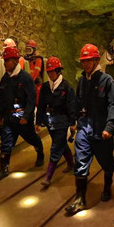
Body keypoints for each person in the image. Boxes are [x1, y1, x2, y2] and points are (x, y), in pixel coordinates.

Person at [65, 44, 114, 215]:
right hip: (84, 128)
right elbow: (77, 102)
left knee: (106, 163)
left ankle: (107, 186)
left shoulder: (106, 80)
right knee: (80, 162)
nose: (85, 64)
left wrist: (110, 127)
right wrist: (74, 121)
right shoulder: (82, 80)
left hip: (101, 130)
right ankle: (80, 199)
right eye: (83, 61)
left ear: (96, 60)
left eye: (89, 60)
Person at [0, 46, 44, 182]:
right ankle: (3, 168)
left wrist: (26, 116)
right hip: (10, 117)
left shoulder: (25, 78)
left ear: (15, 61)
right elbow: (1, 98)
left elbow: (31, 99)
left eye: (7, 61)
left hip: (22, 117)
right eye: (4, 61)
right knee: (6, 143)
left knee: (31, 137)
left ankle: (40, 151)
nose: (5, 63)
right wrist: (0, 115)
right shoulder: (5, 79)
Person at [35, 56, 76, 188]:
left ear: (58, 71)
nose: (50, 74)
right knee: (61, 144)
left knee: (55, 147)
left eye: (52, 71)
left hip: (62, 121)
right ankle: (71, 163)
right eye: (48, 72)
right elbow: (41, 104)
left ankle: (48, 175)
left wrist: (72, 123)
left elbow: (71, 105)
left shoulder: (66, 87)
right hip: (50, 121)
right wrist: (38, 121)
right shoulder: (46, 87)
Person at [24, 40, 43, 105]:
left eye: (30, 50)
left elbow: (36, 73)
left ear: (33, 50)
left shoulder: (37, 59)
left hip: (35, 85)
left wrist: (28, 83)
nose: (28, 52)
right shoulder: (25, 60)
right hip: (28, 84)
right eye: (27, 50)